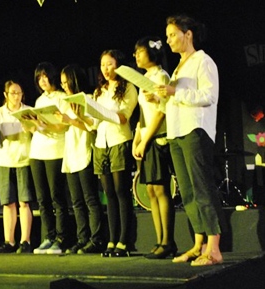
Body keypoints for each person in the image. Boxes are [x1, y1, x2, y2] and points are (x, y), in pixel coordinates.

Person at [155, 15, 224, 266]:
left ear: (188, 35)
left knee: (202, 187)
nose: (168, 40)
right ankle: (199, 245)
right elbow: (177, 99)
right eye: (167, 36)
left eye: (173, 34)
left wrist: (176, 92)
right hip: (176, 131)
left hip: (195, 130)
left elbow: (209, 96)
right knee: (187, 191)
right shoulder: (178, 67)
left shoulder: (202, 61)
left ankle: (214, 248)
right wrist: (161, 98)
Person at [77, 50, 138, 257]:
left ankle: (124, 240)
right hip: (101, 144)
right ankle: (111, 240)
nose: (106, 68)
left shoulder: (128, 87)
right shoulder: (99, 91)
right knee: (108, 194)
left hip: (119, 140)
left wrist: (102, 113)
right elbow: (93, 124)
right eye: (103, 64)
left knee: (122, 192)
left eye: (110, 64)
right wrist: (81, 116)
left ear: (118, 65)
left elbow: (123, 117)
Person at [131, 36, 176, 259]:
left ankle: (168, 241)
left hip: (159, 138)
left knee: (160, 188)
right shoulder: (146, 78)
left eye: (139, 52)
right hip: (147, 137)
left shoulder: (161, 76)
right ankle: (159, 241)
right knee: (149, 189)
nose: (136, 56)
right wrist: (136, 139)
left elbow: (161, 112)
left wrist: (145, 139)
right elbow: (142, 114)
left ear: (152, 53)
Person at [56, 64, 104, 254]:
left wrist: (73, 120)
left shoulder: (89, 98)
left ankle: (96, 238)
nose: (65, 86)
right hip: (70, 152)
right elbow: (63, 127)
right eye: (62, 83)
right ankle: (82, 238)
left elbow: (92, 127)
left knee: (90, 199)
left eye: (67, 81)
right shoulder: (64, 101)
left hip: (85, 150)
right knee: (76, 201)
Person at [28, 62, 70, 254]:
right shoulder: (38, 101)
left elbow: (64, 126)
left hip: (55, 151)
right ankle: (49, 235)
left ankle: (61, 237)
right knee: (42, 198)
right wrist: (30, 124)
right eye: (39, 78)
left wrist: (45, 126)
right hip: (37, 151)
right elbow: (37, 127)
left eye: (45, 76)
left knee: (56, 196)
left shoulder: (62, 98)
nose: (42, 80)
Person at [0, 80, 35, 254]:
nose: (16, 96)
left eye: (19, 93)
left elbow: (35, 131)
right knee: (8, 202)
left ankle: (26, 240)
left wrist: (29, 126)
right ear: (5, 95)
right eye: (13, 93)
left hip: (24, 158)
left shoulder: (28, 111)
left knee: (24, 201)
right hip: (5, 159)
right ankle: (9, 241)